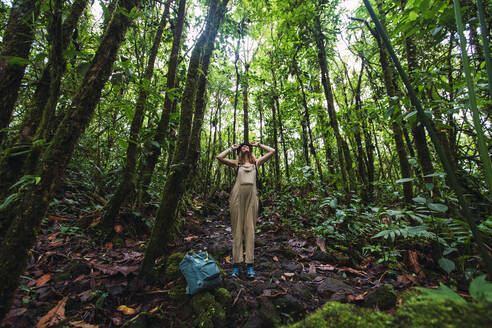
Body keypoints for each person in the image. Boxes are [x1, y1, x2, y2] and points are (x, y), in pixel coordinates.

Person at [216, 141, 275, 278]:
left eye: (247, 145)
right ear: (240, 150)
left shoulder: (256, 163)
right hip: (237, 198)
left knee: (250, 230)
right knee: (237, 230)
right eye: (243, 146)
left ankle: (250, 266)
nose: (245, 146)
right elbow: (219, 157)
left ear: (250, 149)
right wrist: (231, 148)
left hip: (252, 198)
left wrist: (259, 144)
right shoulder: (236, 164)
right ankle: (236, 265)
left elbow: (272, 151)